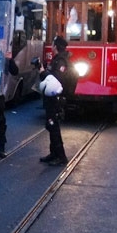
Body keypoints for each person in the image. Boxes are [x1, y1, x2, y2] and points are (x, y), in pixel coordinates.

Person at [39, 36, 71, 166]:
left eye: (52, 45)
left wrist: (43, 73)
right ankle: (53, 153)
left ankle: (61, 156)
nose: (51, 47)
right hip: (51, 98)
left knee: (53, 125)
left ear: (56, 47)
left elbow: (57, 78)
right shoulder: (57, 60)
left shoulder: (61, 61)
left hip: (56, 99)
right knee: (50, 125)